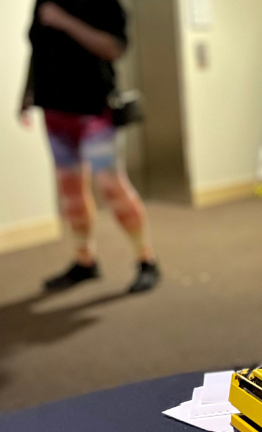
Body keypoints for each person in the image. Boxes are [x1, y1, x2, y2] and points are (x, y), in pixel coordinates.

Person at [19, 0, 160, 294]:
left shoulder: (105, 4)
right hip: (55, 112)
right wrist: (25, 95)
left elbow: (113, 49)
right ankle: (85, 261)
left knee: (110, 184)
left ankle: (146, 260)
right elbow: (37, 51)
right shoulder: (43, 2)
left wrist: (64, 21)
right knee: (70, 190)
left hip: (94, 111)